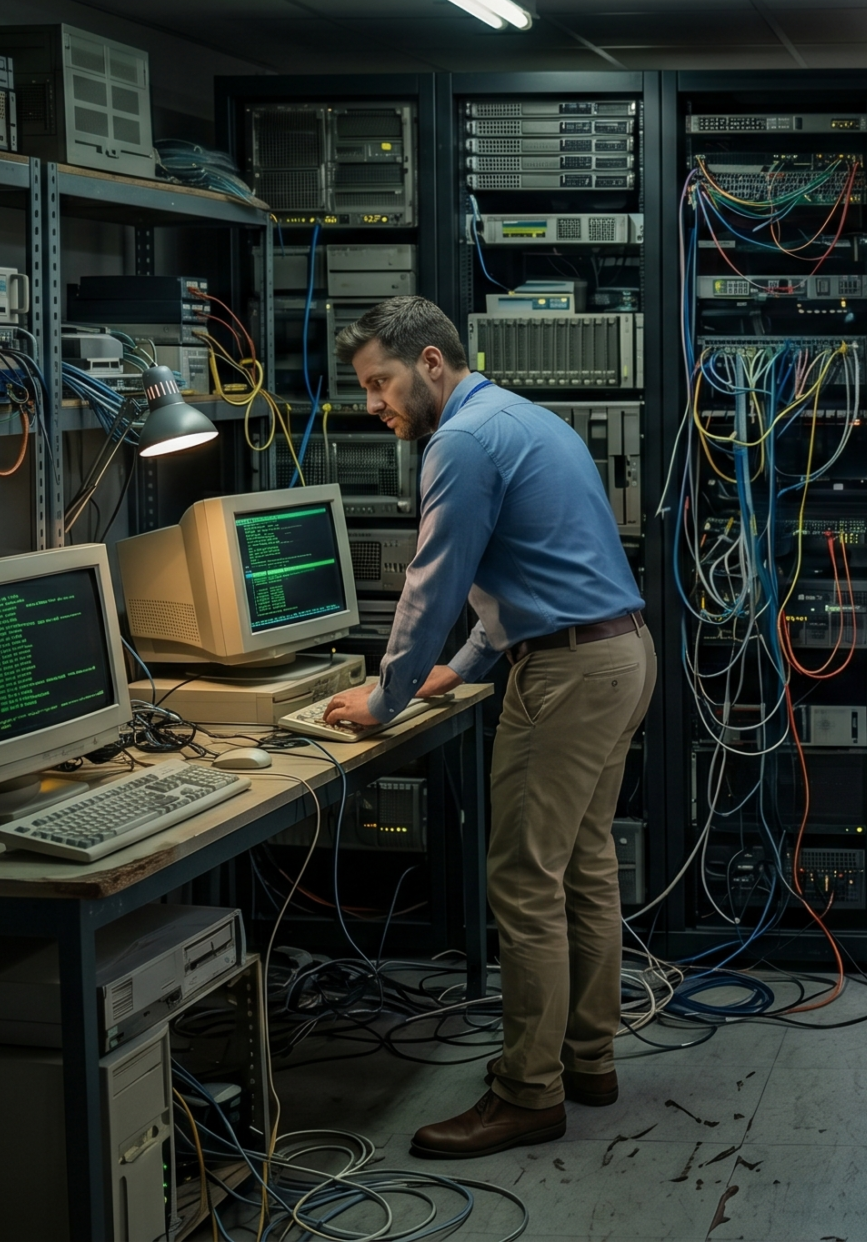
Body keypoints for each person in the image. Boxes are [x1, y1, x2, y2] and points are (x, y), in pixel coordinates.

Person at [322, 296, 655, 1159]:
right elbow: (531, 564)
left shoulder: (461, 442)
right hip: (618, 654)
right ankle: (587, 1061)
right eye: (364, 391)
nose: (373, 405)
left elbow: (437, 577)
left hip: (568, 676)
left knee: (523, 882)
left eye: (380, 383)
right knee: (581, 867)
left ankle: (528, 1093)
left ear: (431, 362)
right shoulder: (518, 418)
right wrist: (464, 668)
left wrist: (384, 697)